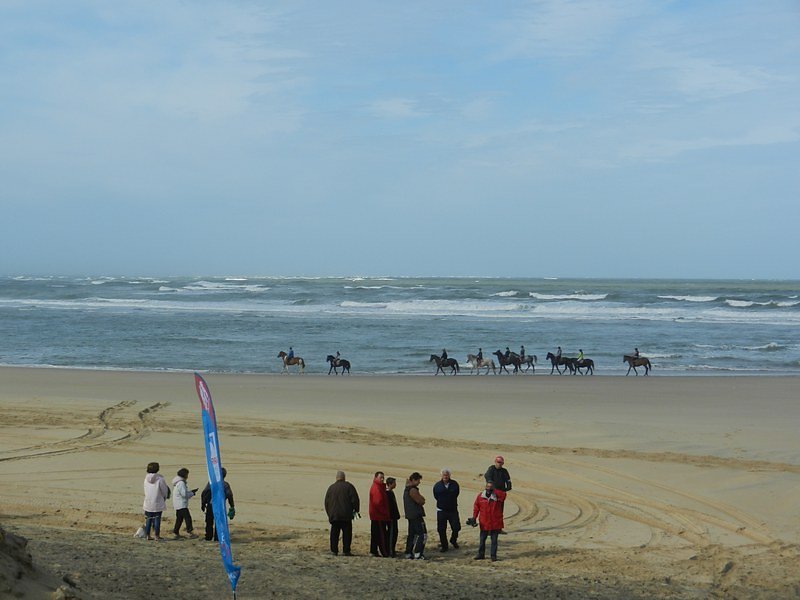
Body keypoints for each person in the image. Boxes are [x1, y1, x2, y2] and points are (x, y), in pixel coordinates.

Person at [324, 471, 360, 556]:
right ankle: (346, 550)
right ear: (344, 478)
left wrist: (330, 514)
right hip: (346, 515)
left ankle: (334, 550)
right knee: (347, 533)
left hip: (334, 515)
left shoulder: (331, 487)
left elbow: (326, 502)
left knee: (334, 533)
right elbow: (355, 500)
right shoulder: (349, 486)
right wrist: (356, 512)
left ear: (336, 478)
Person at [470, 481, 507, 561]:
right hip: (484, 522)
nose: (489, 489)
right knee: (482, 540)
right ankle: (481, 554)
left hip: (495, 522)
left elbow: (504, 495)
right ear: (485, 487)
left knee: (494, 541)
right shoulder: (480, 496)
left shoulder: (497, 496)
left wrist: (495, 490)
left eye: (491, 487)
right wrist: (474, 518)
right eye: (487, 487)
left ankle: (493, 556)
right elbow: (476, 508)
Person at [200, 467, 235, 541]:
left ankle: (208, 537)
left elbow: (204, 493)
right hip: (220, 506)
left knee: (209, 522)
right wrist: (232, 506)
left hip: (211, 505)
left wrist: (203, 504)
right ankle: (217, 537)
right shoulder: (225, 485)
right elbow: (229, 495)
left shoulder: (211, 483)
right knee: (219, 522)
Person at [432, 468, 460, 552]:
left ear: (449, 476)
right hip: (441, 510)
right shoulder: (437, 485)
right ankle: (444, 546)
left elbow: (456, 494)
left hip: (453, 510)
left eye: (447, 475)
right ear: (441, 476)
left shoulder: (454, 484)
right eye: (444, 475)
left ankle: (453, 540)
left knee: (456, 527)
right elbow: (436, 496)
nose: (445, 476)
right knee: (441, 529)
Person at [142, 461, 170, 541]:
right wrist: (165, 496)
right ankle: (156, 535)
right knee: (157, 520)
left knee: (148, 519)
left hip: (148, 502)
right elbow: (164, 490)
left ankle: (147, 535)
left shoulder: (146, 478)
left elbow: (145, 489)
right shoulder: (160, 479)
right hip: (157, 502)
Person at [484, 455, 511, 533]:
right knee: (491, 511)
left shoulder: (504, 471)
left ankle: (498, 528)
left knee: (500, 511)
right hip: (492, 493)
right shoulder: (491, 469)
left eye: (501, 462)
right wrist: (490, 483)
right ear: (495, 462)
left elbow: (508, 479)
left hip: (501, 493)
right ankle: (489, 529)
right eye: (498, 462)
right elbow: (487, 476)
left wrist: (509, 485)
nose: (499, 464)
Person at [403, 472, 427, 560]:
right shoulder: (412, 490)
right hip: (416, 515)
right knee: (422, 534)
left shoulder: (407, 489)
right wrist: (422, 499)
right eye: (418, 480)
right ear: (413, 480)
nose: (419, 482)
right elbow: (421, 500)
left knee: (412, 535)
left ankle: (409, 552)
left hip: (411, 515)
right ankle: (418, 553)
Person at [368, 471, 390, 557]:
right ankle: (384, 552)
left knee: (375, 534)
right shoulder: (376, 488)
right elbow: (378, 503)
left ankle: (373, 551)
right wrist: (385, 513)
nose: (382, 479)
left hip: (377, 516)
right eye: (380, 477)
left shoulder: (379, 487)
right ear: (376, 477)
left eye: (383, 478)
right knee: (381, 535)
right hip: (379, 516)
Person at [171, 467, 198, 539]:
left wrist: (191, 492)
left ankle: (175, 532)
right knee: (187, 518)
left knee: (179, 519)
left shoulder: (179, 483)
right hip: (181, 504)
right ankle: (189, 532)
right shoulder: (181, 483)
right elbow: (184, 495)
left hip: (178, 504)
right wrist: (192, 493)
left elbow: (184, 493)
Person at [385, 477, 401, 557]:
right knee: (392, 533)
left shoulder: (390, 492)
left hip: (393, 516)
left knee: (394, 533)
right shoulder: (388, 493)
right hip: (391, 517)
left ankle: (391, 549)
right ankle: (391, 551)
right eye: (394, 483)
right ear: (390, 484)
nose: (395, 485)